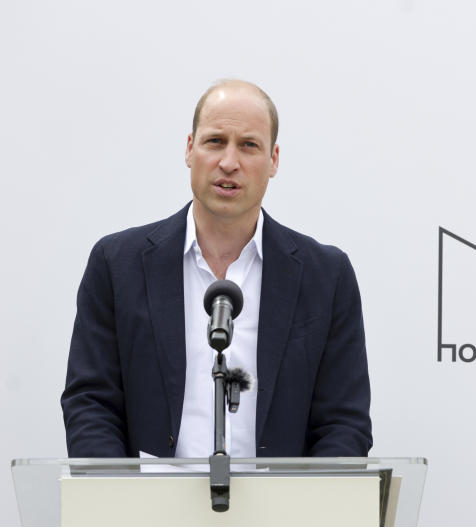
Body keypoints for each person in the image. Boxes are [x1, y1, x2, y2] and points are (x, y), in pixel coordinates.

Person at [61, 80, 372, 458]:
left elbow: (343, 424)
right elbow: (90, 403)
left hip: (281, 512)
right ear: (190, 149)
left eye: (248, 145)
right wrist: (121, 500)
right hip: (148, 510)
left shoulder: (326, 275)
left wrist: (305, 507)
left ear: (273, 160)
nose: (229, 162)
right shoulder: (116, 264)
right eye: (215, 141)